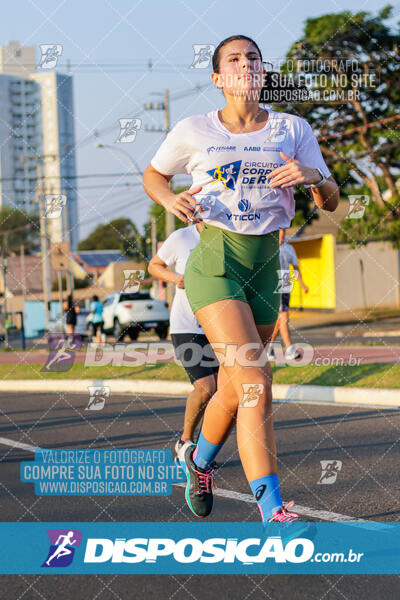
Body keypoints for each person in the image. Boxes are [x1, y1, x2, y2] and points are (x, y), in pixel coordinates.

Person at [143, 34, 339, 527]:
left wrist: (311, 177)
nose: (246, 64)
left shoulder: (292, 129)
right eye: (234, 59)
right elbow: (153, 175)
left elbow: (332, 198)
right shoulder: (194, 130)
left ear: (262, 71)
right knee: (255, 380)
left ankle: (198, 462)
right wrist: (169, 202)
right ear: (218, 78)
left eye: (253, 57)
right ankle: (272, 509)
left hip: (266, 268)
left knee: (235, 388)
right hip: (215, 264)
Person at [148, 221, 219, 460]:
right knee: (205, 388)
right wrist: (175, 277)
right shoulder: (181, 237)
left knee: (220, 393)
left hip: (218, 324)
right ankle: (184, 441)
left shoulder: (227, 236)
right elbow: (154, 266)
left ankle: (201, 452)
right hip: (186, 326)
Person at [267, 229, 309, 361]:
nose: (282, 234)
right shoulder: (269, 247)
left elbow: (296, 267)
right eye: (279, 231)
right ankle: (290, 349)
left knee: (280, 320)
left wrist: (302, 284)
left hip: (285, 282)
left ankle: (268, 347)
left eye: (283, 231)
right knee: (284, 317)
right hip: (273, 283)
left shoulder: (289, 248)